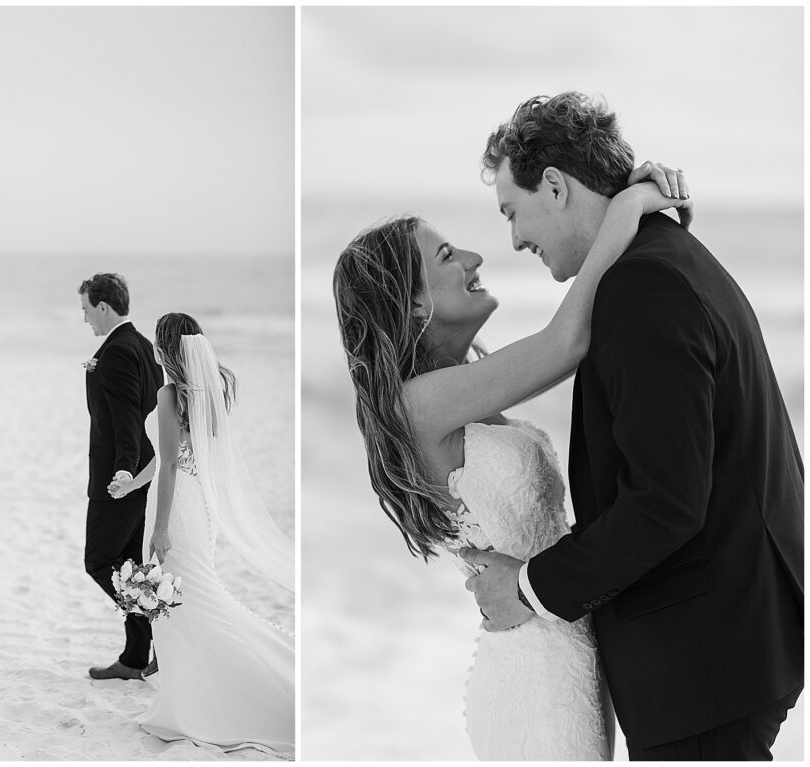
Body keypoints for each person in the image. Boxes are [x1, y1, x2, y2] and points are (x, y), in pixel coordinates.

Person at [460, 92, 803, 760]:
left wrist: (528, 587)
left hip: (704, 659)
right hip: (727, 644)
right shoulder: (661, 259)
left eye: (512, 211)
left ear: (554, 186)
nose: (513, 239)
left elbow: (666, 501)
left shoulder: (644, 286)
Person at [333, 132, 693, 756]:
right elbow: (567, 341)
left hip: (563, 648)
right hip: (533, 672)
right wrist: (625, 208)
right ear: (413, 303)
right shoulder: (417, 403)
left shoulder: (463, 385)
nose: (475, 256)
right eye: (447, 255)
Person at [115, 313, 295, 756]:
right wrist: (132, 485)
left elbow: (172, 462)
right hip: (197, 503)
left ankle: (236, 696)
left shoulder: (168, 393)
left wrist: (158, 528)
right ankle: (189, 700)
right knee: (189, 600)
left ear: (165, 348)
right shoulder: (209, 389)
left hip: (176, 508)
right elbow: (172, 458)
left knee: (187, 602)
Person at [78, 273, 162, 681]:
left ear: (104, 306)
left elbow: (129, 415)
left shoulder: (116, 352)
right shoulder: (144, 346)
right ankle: (134, 658)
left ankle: (153, 628)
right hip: (140, 467)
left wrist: (124, 470)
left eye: (86, 309)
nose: (85, 319)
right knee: (130, 563)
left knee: (99, 560)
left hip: (120, 475)